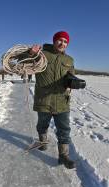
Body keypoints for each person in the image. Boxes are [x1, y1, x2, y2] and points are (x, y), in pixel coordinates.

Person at [30, 31, 76, 169]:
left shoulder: (69, 60)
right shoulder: (42, 54)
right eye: (60, 40)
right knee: (42, 125)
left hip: (62, 101)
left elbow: (71, 76)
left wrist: (74, 82)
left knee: (64, 129)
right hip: (44, 99)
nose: (62, 44)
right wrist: (31, 53)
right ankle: (43, 142)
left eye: (65, 42)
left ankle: (64, 155)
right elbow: (25, 62)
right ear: (54, 40)